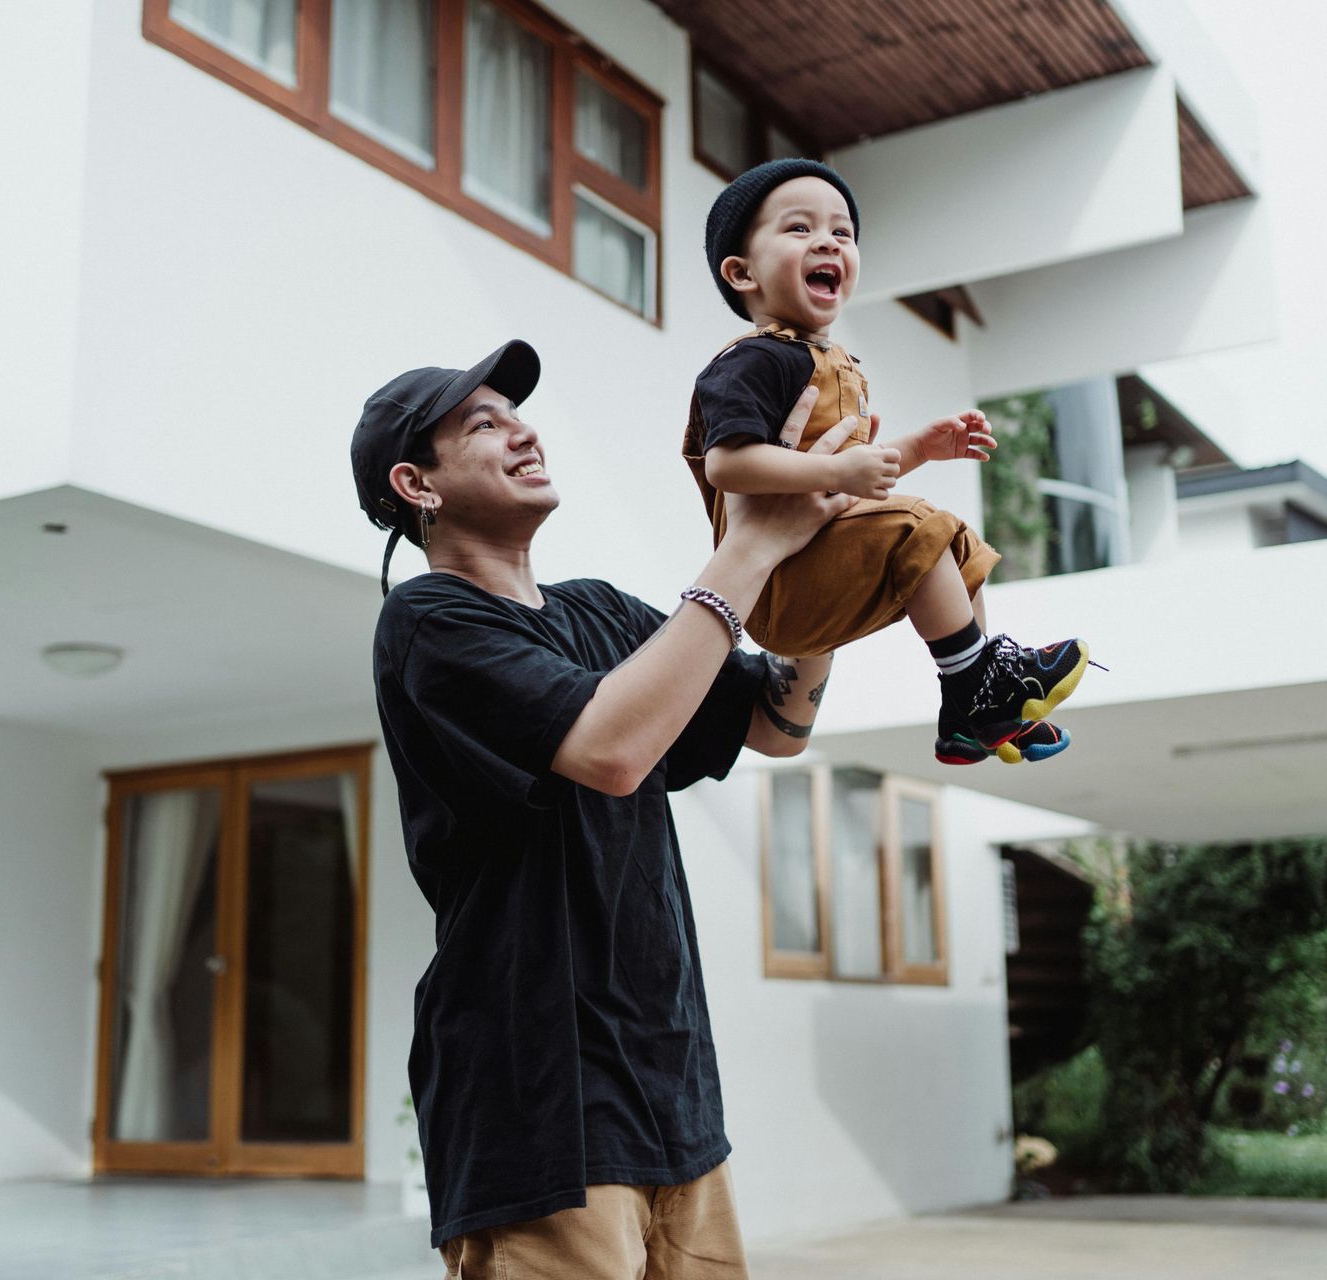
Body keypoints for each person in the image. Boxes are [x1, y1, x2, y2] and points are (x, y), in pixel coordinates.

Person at [352, 338, 853, 1279]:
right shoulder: (429, 623)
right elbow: (613, 751)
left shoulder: (604, 614)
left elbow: (776, 721)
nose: (524, 432)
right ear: (417, 484)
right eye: (484, 424)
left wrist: (815, 569)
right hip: (538, 1108)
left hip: (673, 1096)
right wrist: (750, 545)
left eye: (520, 415)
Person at [683, 158, 1095, 765]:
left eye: (842, 232)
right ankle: (977, 689)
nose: (827, 241)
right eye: (799, 228)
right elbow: (729, 465)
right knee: (918, 527)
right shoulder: (752, 360)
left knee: (956, 542)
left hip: (817, 559)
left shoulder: (834, 362)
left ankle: (976, 705)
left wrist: (920, 449)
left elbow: (853, 481)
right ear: (742, 272)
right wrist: (836, 472)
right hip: (773, 585)